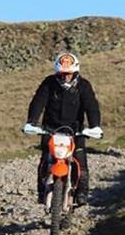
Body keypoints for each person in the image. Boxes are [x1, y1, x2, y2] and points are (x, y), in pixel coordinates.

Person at [23, 52, 102, 206]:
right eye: (63, 73)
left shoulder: (83, 85)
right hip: (50, 129)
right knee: (45, 162)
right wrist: (31, 122)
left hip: (75, 131)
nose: (66, 77)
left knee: (81, 164)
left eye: (69, 73)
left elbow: (91, 106)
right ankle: (41, 192)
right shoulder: (49, 83)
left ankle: (81, 193)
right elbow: (38, 102)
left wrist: (94, 126)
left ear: (76, 72)